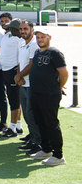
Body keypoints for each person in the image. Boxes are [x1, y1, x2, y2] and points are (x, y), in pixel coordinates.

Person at [27, 27, 68, 166]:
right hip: (36, 93)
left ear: (49, 37)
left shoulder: (55, 53)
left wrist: (58, 87)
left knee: (51, 124)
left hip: (49, 95)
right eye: (38, 37)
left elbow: (64, 73)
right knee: (40, 122)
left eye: (43, 37)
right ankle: (46, 149)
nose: (40, 40)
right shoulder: (37, 52)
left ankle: (58, 155)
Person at [14, 20, 41, 154]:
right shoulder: (21, 42)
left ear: (32, 29)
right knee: (26, 113)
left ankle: (38, 142)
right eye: (21, 29)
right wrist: (19, 76)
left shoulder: (34, 44)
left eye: (25, 29)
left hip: (31, 84)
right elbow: (20, 62)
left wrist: (19, 76)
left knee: (32, 115)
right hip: (23, 83)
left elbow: (31, 64)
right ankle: (32, 137)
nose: (23, 31)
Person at [0, 18, 26, 138]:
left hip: (13, 72)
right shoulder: (10, 36)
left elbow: (21, 57)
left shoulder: (20, 40)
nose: (8, 28)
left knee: (14, 101)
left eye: (11, 28)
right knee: (14, 99)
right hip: (7, 71)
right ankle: (18, 126)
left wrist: (18, 73)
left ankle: (12, 128)